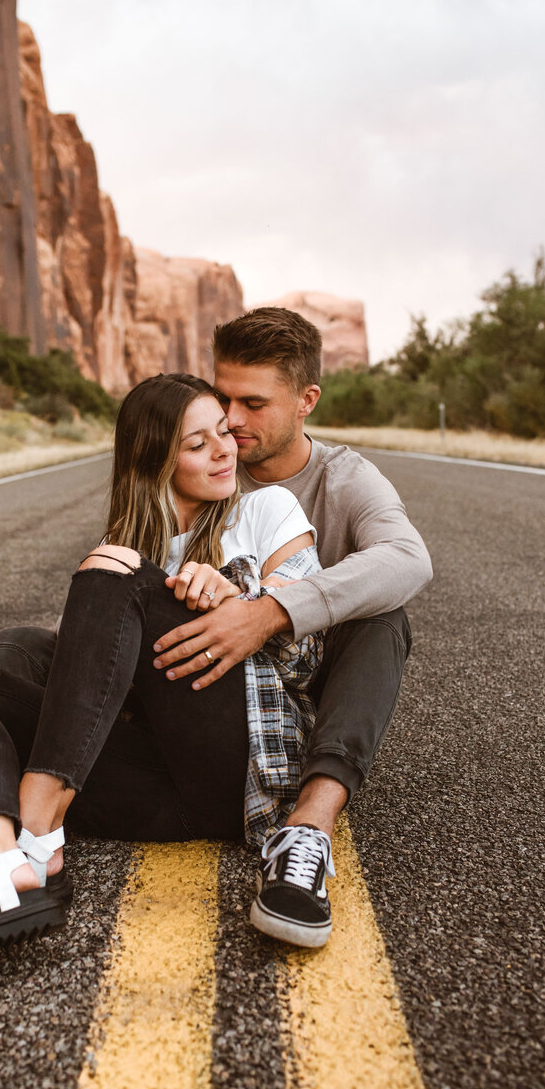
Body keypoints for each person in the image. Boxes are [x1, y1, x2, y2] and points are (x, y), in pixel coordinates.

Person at [0, 373, 323, 984]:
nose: (225, 450)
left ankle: (24, 834)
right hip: (149, 793)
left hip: (233, 773)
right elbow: (86, 700)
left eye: (223, 432)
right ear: (155, 459)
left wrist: (240, 600)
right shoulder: (125, 548)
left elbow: (307, 656)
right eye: (197, 445)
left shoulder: (264, 509)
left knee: (102, 576)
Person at [151, 307, 433, 944]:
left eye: (253, 402)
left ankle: (308, 827)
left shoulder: (345, 479)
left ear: (306, 401)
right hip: (205, 690)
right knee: (17, 651)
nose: (231, 420)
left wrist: (272, 612)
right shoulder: (202, 466)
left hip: (308, 682)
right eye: (222, 397)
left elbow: (409, 559)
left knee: (384, 615)